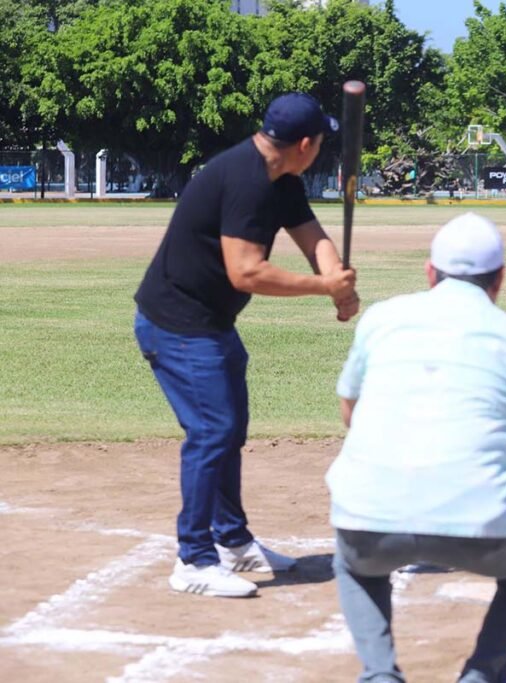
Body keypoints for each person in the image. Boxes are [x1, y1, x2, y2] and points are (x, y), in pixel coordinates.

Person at [133, 92, 360, 598]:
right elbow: (246, 271)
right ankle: (193, 559)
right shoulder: (245, 180)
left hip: (209, 325)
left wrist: (339, 283)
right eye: (321, 140)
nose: (321, 147)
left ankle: (232, 543)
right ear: (306, 143)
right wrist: (324, 288)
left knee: (228, 430)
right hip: (178, 325)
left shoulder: (282, 179)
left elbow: (314, 237)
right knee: (212, 431)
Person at [326, 213, 506, 683]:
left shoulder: (381, 319)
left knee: (356, 564)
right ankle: (481, 673)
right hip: (484, 522)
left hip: (367, 509)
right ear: (499, 279)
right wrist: (491, 484)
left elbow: (350, 412)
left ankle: (379, 675)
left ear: (430, 272)